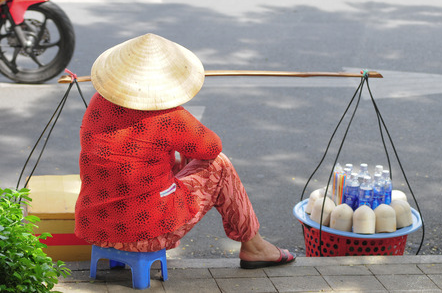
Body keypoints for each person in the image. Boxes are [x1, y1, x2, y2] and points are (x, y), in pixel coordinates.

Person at [74, 33, 296, 269]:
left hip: (96, 226)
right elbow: (212, 147)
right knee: (219, 164)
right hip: (144, 234)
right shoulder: (167, 116)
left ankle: (254, 244)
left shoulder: (98, 102)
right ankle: (255, 246)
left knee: (186, 155)